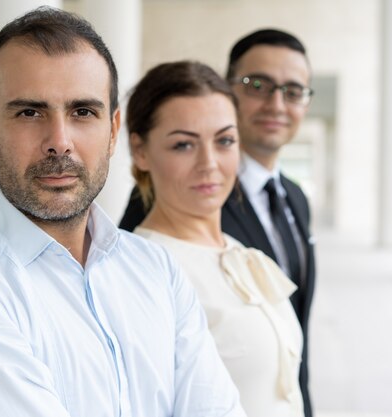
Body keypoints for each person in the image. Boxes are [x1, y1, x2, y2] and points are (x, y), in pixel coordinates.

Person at [0, 8, 245, 417]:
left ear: (112, 132)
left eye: (82, 112)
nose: (59, 141)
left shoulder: (156, 269)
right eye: (29, 112)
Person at [120, 29, 317, 416]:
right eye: (183, 144)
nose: (209, 164)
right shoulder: (143, 271)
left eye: (224, 141)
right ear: (140, 150)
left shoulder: (237, 252)